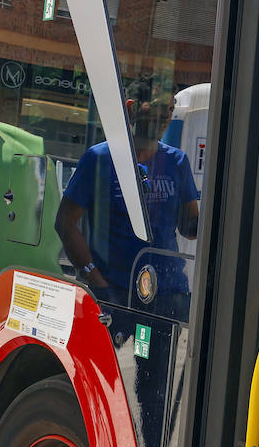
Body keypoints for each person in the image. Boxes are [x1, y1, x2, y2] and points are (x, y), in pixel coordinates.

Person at [55, 74, 200, 315]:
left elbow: (188, 229)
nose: (166, 116)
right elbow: (65, 223)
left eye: (171, 109)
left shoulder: (177, 162)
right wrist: (96, 281)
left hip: (168, 292)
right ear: (131, 109)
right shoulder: (99, 158)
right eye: (158, 107)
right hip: (114, 293)